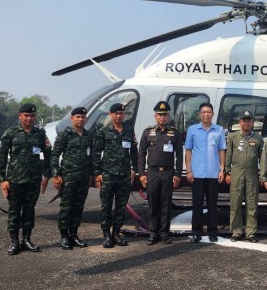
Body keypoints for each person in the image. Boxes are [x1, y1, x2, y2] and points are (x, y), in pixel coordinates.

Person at [0, 103, 51, 255]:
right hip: (15, 180)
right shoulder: (10, 133)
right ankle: (14, 241)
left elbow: (48, 155)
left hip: (33, 180)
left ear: (35, 117)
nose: (29, 118)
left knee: (29, 210)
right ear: (20, 116)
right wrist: (3, 179)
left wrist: (46, 175)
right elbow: (1, 158)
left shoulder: (40, 134)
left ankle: (27, 239)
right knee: (14, 211)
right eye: (26, 115)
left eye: (32, 115)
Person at [93, 102, 138, 248]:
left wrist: (134, 169)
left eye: (121, 113)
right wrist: (97, 173)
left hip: (124, 174)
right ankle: (106, 235)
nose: (119, 116)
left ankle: (116, 234)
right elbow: (96, 153)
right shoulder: (104, 131)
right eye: (116, 113)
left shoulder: (129, 131)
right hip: (108, 174)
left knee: (120, 206)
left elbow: (134, 152)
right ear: (111, 115)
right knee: (106, 206)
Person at [138, 101, 183, 245]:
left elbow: (180, 155)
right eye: (160, 115)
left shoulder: (175, 133)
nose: (162, 117)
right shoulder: (147, 132)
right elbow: (141, 154)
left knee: (166, 204)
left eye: (165, 115)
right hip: (152, 173)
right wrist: (142, 173)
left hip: (168, 173)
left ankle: (164, 233)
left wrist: (177, 174)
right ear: (155, 116)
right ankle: (153, 233)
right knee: (153, 204)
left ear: (169, 116)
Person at [52, 107, 94, 250]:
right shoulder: (65, 135)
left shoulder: (88, 136)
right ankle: (64, 236)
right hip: (68, 177)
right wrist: (56, 175)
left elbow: (91, 157)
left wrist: (91, 175)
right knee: (66, 207)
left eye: (83, 117)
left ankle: (74, 234)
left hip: (83, 178)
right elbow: (55, 155)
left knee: (78, 207)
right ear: (72, 118)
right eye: (78, 117)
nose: (81, 119)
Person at [184, 102, 226, 243]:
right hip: (197, 173)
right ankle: (196, 231)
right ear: (199, 114)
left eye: (209, 112)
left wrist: (222, 169)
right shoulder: (192, 129)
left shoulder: (219, 130)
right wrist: (188, 170)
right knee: (197, 204)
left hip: (213, 173)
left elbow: (221, 150)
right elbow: (188, 150)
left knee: (212, 204)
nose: (206, 114)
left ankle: (212, 231)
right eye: (203, 112)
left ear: (212, 114)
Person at [225, 110, 264, 242]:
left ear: (252, 122)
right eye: (244, 120)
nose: (246, 123)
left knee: (252, 203)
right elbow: (228, 155)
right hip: (236, 172)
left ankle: (250, 232)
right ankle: (236, 231)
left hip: (252, 173)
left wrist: (261, 175)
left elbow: (262, 159)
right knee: (235, 203)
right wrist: (227, 172)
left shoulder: (258, 138)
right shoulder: (233, 137)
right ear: (240, 122)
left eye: (249, 120)